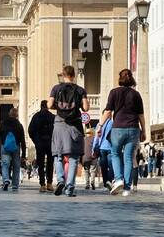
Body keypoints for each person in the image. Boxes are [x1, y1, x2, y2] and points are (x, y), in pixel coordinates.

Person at [98, 68, 145, 197]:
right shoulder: (136, 95)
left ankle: (118, 179)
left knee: (115, 154)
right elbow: (141, 115)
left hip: (118, 128)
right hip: (133, 129)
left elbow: (108, 112)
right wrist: (144, 131)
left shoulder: (114, 92)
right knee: (129, 157)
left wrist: (100, 126)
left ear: (120, 79)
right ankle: (127, 188)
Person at [49, 65, 88, 197]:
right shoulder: (80, 90)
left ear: (63, 75)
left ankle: (60, 180)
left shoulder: (56, 88)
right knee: (73, 157)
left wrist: (59, 107)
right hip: (75, 125)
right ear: (74, 75)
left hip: (59, 123)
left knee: (58, 155)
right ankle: (70, 187)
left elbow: (49, 105)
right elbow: (86, 108)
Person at [0, 105, 26, 191]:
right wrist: (24, 155)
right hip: (16, 147)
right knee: (16, 166)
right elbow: (23, 140)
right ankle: (15, 185)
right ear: (17, 115)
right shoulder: (19, 125)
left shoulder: (4, 124)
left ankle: (6, 180)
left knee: (5, 165)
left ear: (9, 114)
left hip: (5, 147)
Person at [29, 99, 55, 193]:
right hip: (50, 143)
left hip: (40, 143)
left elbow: (30, 130)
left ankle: (42, 184)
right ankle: (49, 183)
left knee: (40, 164)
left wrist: (36, 141)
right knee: (50, 164)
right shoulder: (52, 117)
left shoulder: (36, 116)